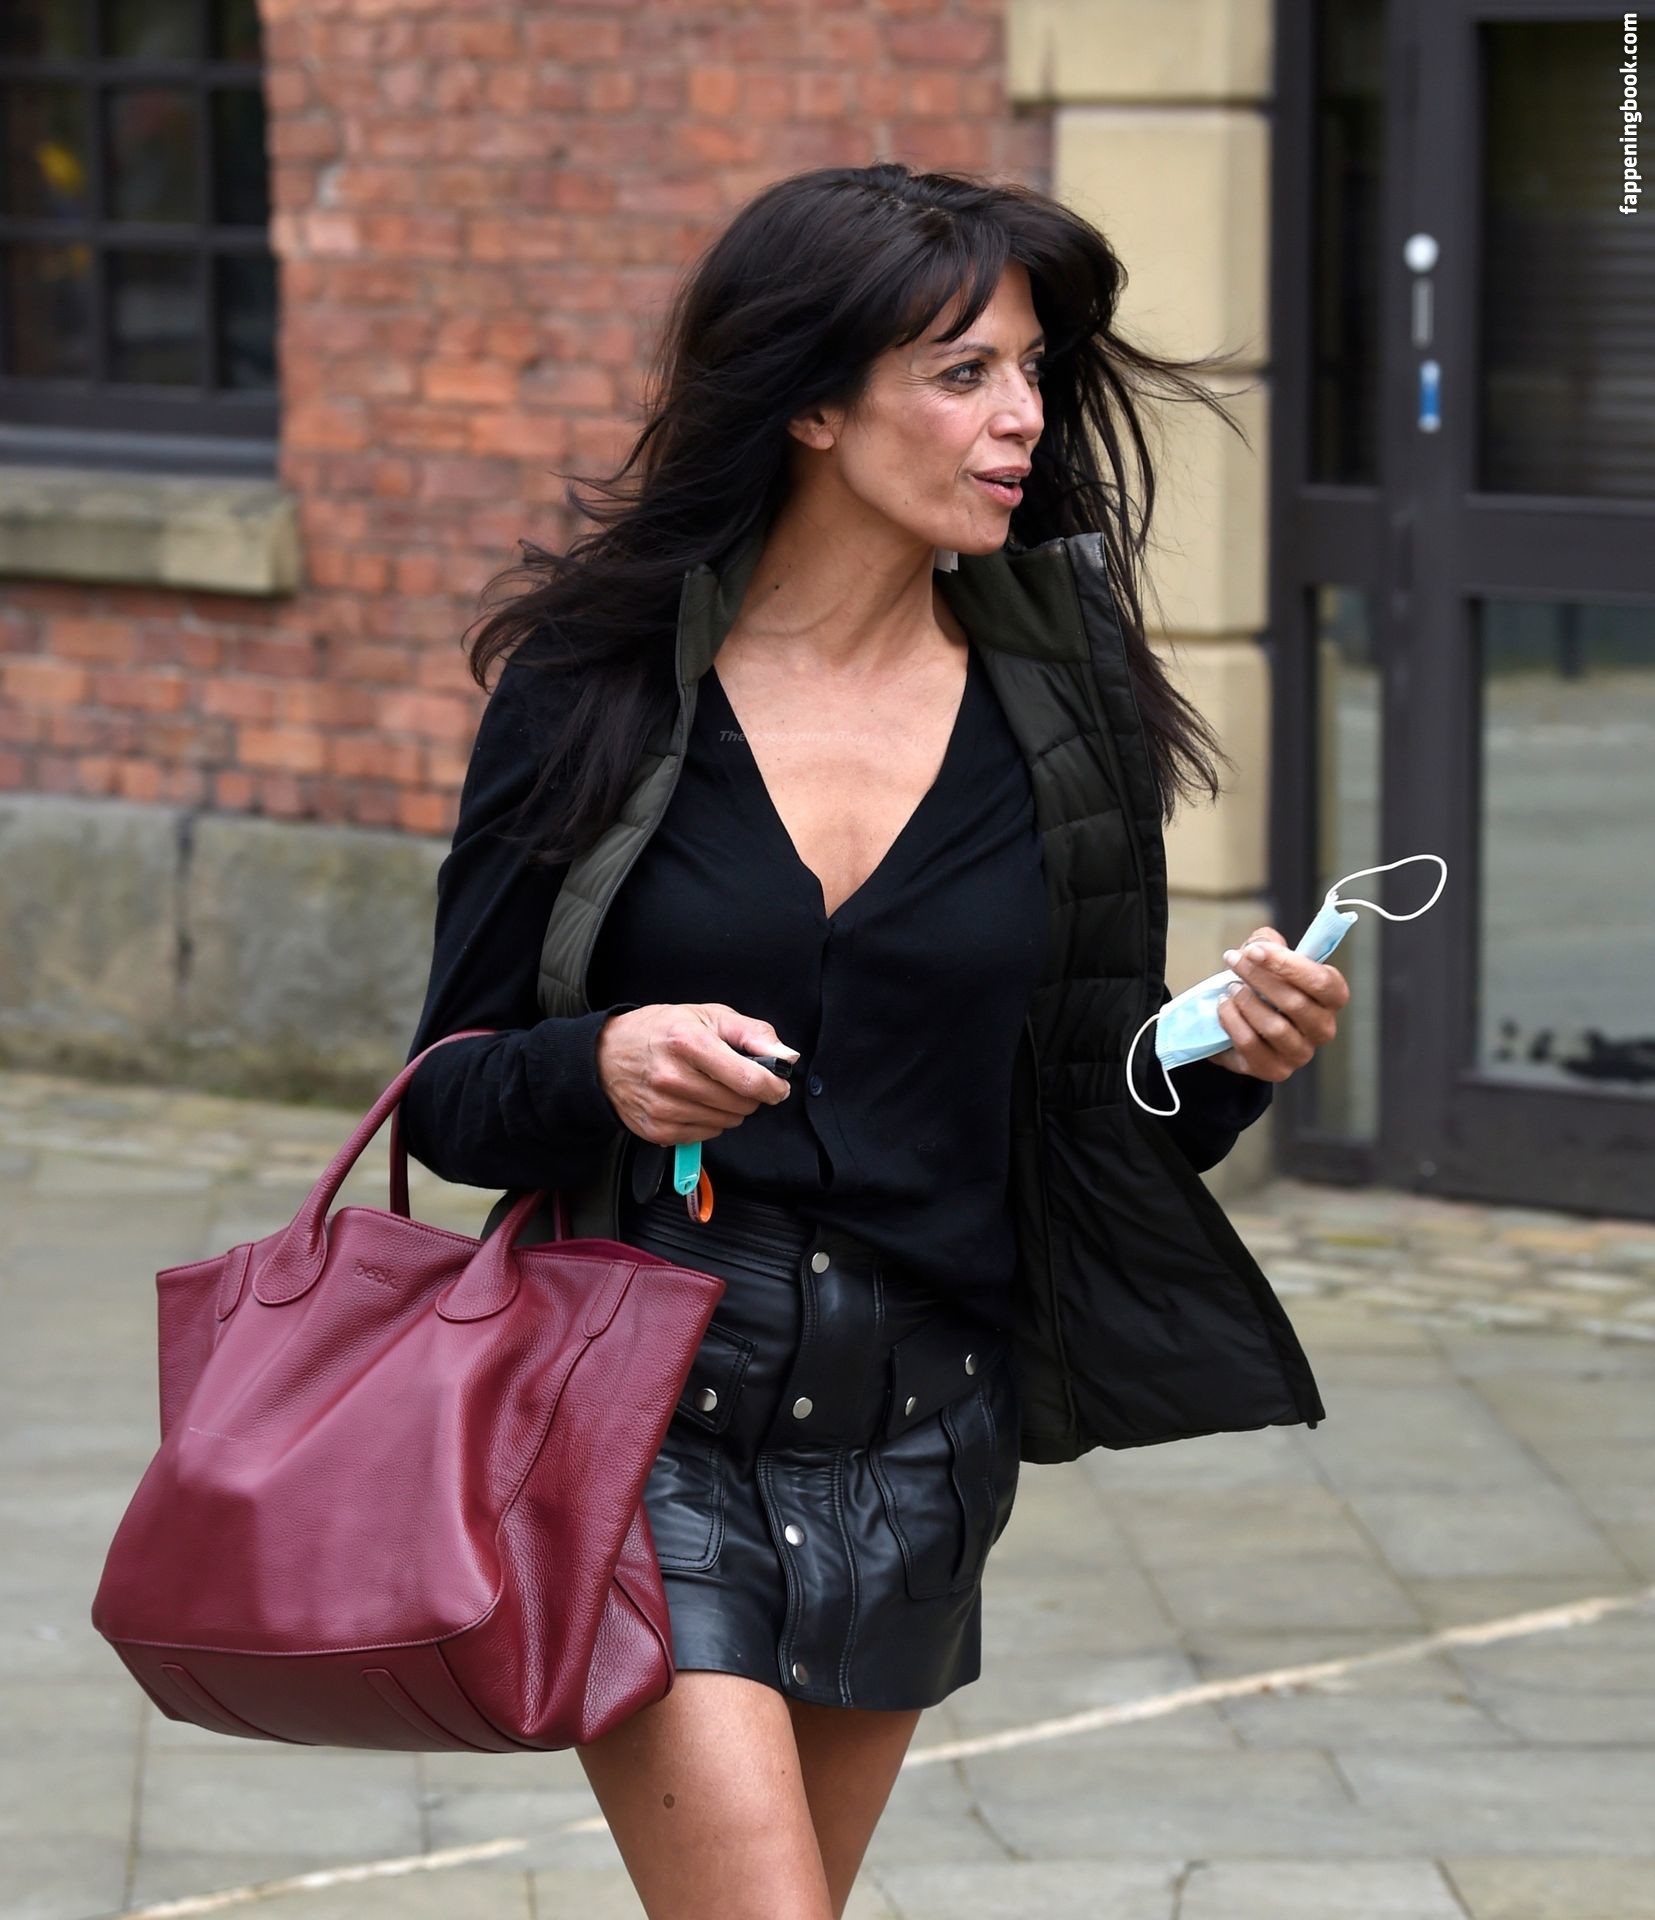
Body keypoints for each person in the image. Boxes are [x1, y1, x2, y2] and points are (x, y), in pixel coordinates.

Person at [400, 162, 1349, 1920]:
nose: (1024, 418)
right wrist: (600, 1066)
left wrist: (1225, 1058)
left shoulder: (1064, 710)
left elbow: (1079, 1110)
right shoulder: (598, 688)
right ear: (814, 405)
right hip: (644, 1404)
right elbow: (447, 1094)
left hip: (922, 1427)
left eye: (1032, 371)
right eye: (962, 373)